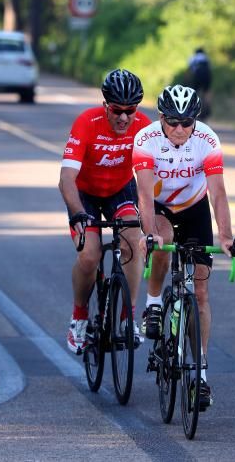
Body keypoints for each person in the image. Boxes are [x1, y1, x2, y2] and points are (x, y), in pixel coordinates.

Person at [132, 84, 235, 408]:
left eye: (186, 122)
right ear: (161, 118)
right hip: (159, 206)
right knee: (163, 241)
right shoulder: (146, 140)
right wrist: (149, 233)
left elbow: (218, 193)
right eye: (172, 121)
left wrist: (225, 235)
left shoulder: (207, 140)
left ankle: (201, 375)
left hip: (193, 209)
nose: (179, 129)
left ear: (195, 120)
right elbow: (143, 195)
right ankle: (153, 303)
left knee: (202, 292)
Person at [59, 68, 152, 355]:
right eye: (117, 110)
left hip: (120, 190)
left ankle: (127, 319)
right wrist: (77, 213)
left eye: (131, 110)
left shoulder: (144, 126)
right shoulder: (87, 123)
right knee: (89, 256)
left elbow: (155, 175)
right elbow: (66, 179)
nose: (124, 117)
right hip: (84, 194)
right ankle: (79, 318)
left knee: (133, 243)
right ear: (105, 106)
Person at [188, 47, 212, 120]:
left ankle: (194, 109)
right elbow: (210, 68)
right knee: (206, 92)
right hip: (207, 75)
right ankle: (208, 108)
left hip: (198, 75)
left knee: (195, 92)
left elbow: (190, 69)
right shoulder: (206, 58)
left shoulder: (193, 58)